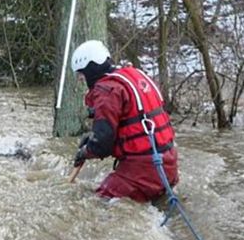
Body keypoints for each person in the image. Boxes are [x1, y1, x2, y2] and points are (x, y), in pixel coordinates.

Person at [70, 40, 179, 208]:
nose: (82, 79)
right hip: (168, 167)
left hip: (144, 172)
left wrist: (85, 151)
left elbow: (102, 144)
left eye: (82, 74)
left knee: (96, 204)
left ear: (90, 69)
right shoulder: (133, 76)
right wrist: (92, 138)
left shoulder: (107, 91)